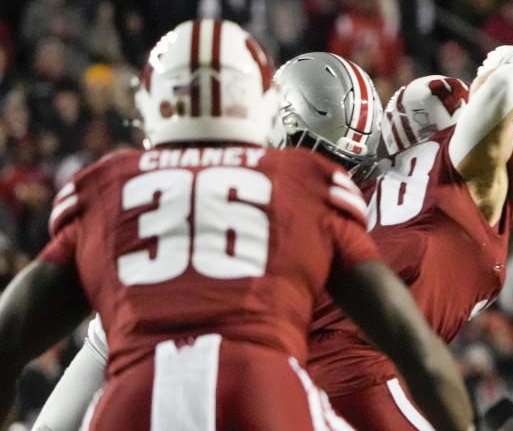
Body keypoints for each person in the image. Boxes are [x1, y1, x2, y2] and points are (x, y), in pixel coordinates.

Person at [1, 21, 474, 431]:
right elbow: (419, 355)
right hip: (263, 397)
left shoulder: (109, 186)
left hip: (135, 397)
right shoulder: (306, 189)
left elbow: (10, 334)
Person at [308, 45, 513, 431]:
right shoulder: (453, 170)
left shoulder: (365, 190)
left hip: (304, 361)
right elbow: (502, 90)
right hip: (357, 367)